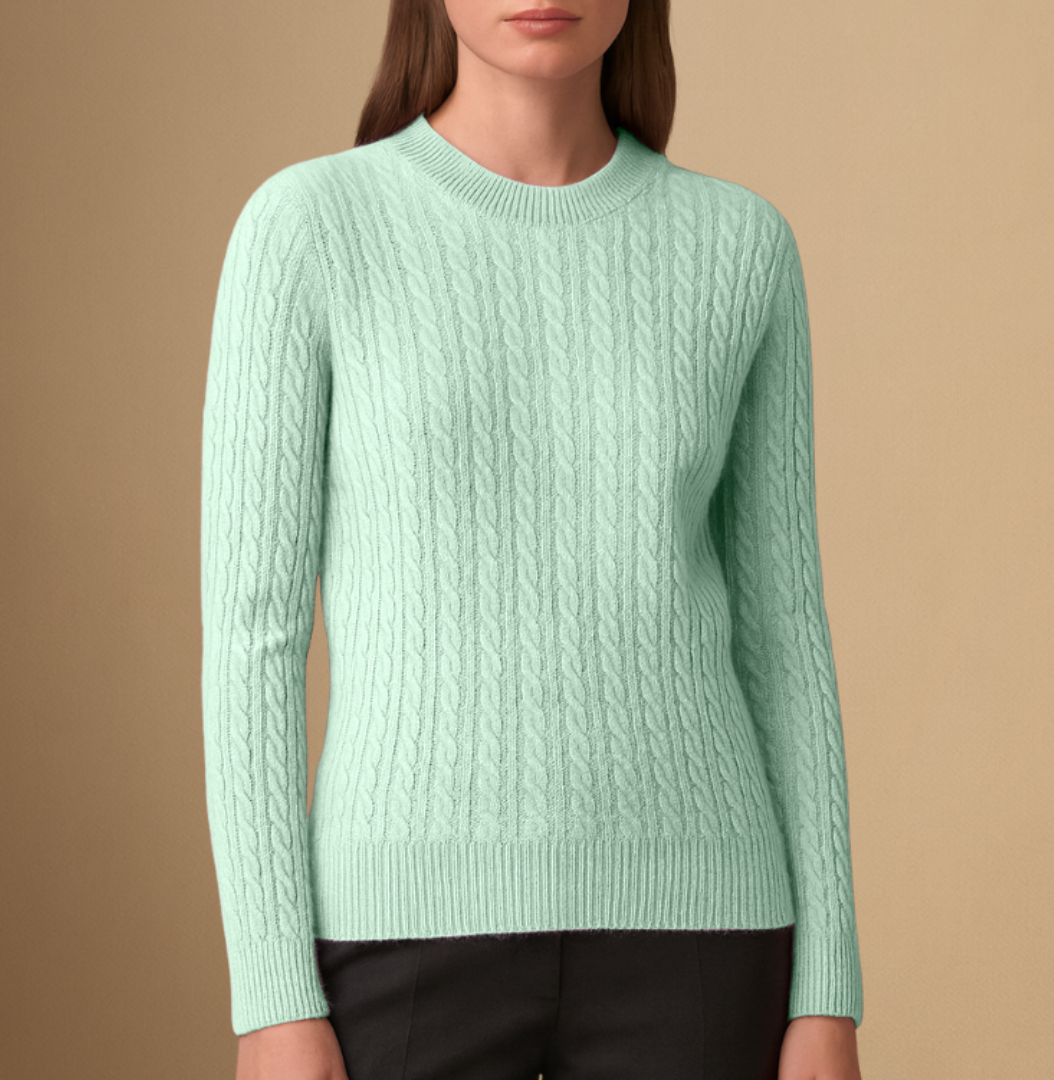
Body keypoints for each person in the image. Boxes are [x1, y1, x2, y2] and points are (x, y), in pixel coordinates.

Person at [199, 1, 865, 1078]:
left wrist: (827, 992)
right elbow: (252, 640)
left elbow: (785, 637)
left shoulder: (740, 245)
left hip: (704, 934)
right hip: (395, 937)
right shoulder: (309, 229)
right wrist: (273, 995)